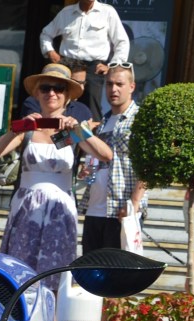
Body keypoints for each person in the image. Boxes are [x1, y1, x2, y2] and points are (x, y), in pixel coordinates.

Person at [0, 63, 112, 294]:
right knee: (19, 274)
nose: (51, 93)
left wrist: (80, 130)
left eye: (58, 89)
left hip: (60, 210)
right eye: (45, 88)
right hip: (27, 208)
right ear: (37, 93)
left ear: (67, 98)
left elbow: (106, 155)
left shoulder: (71, 132)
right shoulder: (28, 130)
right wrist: (18, 129)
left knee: (56, 274)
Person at [81, 63, 145, 254]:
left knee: (117, 274)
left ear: (131, 87)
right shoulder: (103, 122)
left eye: (119, 84)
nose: (113, 89)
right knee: (91, 272)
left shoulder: (140, 119)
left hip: (120, 208)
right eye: (109, 84)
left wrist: (134, 202)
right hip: (95, 208)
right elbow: (99, 158)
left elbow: (148, 166)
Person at [39, 0, 129, 123]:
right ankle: (57, 137)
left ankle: (91, 139)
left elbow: (122, 42)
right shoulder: (66, 12)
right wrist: (50, 52)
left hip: (94, 68)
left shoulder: (107, 12)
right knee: (62, 102)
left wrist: (111, 66)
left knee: (92, 107)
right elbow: (45, 34)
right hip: (68, 65)